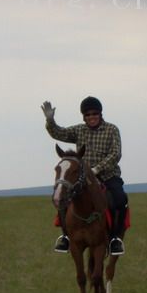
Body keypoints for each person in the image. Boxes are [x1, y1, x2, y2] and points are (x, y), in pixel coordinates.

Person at [41, 96, 128, 255]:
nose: (91, 116)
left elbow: (116, 153)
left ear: (100, 114)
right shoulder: (79, 130)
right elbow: (59, 133)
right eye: (87, 114)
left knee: (120, 198)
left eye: (94, 113)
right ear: (83, 116)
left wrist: (97, 169)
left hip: (108, 175)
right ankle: (66, 237)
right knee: (63, 199)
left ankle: (115, 238)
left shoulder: (112, 130)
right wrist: (50, 120)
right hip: (84, 178)